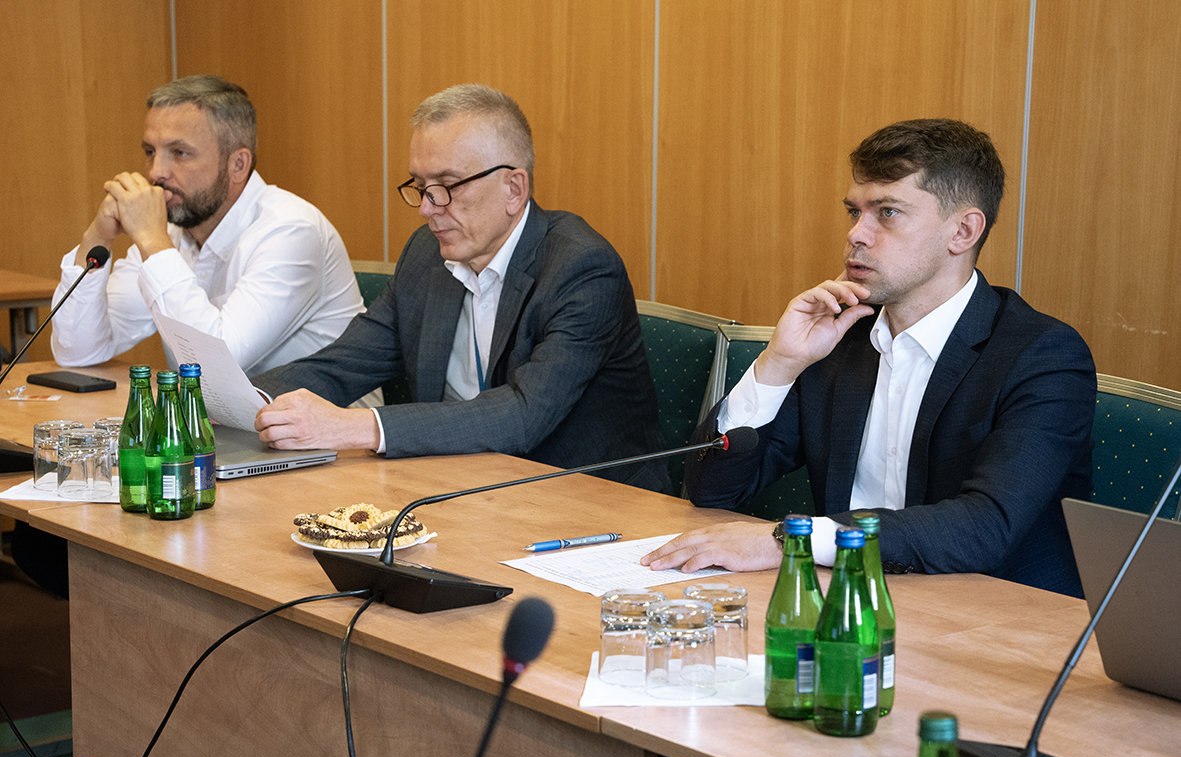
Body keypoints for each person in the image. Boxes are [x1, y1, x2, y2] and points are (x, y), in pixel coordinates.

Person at [642, 118, 1095, 596]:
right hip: (850, 598)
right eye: (854, 212)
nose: (857, 234)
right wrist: (780, 363)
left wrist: (790, 540)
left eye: (888, 213)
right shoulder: (843, 336)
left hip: (992, 613)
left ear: (962, 231)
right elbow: (714, 490)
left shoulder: (1042, 356)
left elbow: (985, 526)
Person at [251, 84, 668, 492]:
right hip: (461, 487)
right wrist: (240, 402)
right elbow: (342, 365)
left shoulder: (582, 269)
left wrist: (354, 426)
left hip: (586, 499)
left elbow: (522, 415)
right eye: (420, 187)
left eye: (447, 186)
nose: (427, 208)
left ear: (513, 189)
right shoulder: (427, 255)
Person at [49, 74, 364, 377]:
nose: (156, 172)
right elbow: (76, 352)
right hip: (224, 416)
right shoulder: (170, 233)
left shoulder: (292, 230)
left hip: (323, 415)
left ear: (237, 165)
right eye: (150, 152)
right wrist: (98, 237)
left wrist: (153, 242)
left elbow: (216, 367)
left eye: (180, 153)